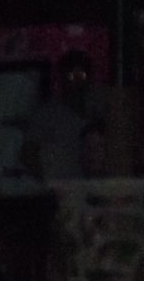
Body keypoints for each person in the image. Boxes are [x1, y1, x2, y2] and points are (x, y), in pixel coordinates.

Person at [20, 51, 98, 185]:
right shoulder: (47, 114)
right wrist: (49, 184)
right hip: (63, 189)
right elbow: (28, 154)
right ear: (62, 77)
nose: (77, 81)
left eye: (81, 75)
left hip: (97, 188)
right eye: (71, 75)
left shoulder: (100, 107)